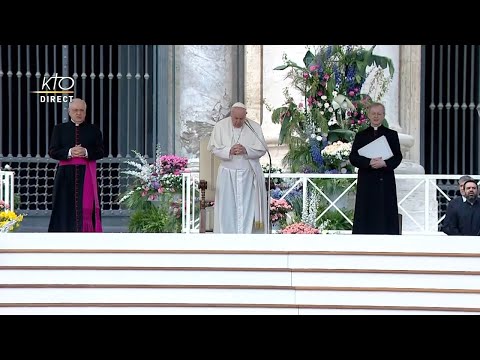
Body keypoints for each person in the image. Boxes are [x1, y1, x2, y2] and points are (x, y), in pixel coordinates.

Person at [207, 102, 268, 234]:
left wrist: (246, 150)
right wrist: (229, 150)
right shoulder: (220, 126)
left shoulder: (254, 127)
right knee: (228, 208)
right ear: (231, 115)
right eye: (235, 118)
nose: (238, 121)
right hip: (227, 174)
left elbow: (262, 149)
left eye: (241, 119)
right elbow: (213, 148)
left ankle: (248, 237)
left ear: (245, 116)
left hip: (249, 175)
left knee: (248, 208)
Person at [48, 98, 104, 232]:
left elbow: (101, 151)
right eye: (75, 110)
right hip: (65, 175)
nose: (78, 113)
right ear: (69, 112)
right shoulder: (59, 129)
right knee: (63, 205)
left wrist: (85, 152)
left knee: (86, 207)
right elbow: (52, 151)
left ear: (85, 112)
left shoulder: (94, 130)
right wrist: (69, 152)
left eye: (81, 110)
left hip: (87, 175)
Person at [349, 102, 403, 235]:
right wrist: (369, 162)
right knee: (366, 212)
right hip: (366, 181)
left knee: (385, 212)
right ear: (368, 115)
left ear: (383, 116)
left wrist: (384, 163)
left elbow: (397, 157)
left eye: (379, 114)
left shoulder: (391, 135)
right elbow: (353, 157)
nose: (376, 116)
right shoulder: (361, 135)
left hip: (385, 181)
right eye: (373, 113)